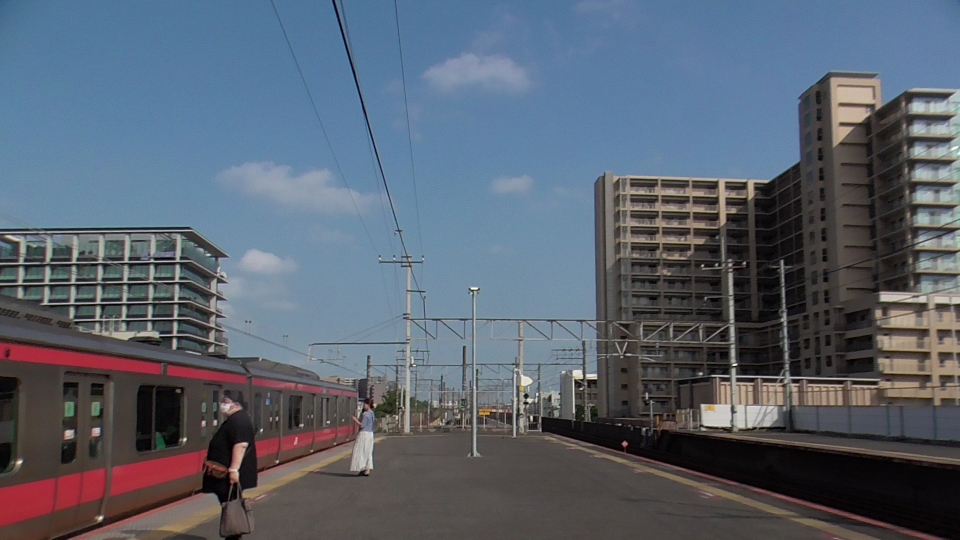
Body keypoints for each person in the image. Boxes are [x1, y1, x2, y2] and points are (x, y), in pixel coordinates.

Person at [202, 392, 258, 540]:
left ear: (236, 404)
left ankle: (234, 534)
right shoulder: (236, 419)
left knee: (231, 506)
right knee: (230, 505)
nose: (222, 405)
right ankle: (233, 534)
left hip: (229, 474)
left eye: (226, 401)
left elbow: (240, 445)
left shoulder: (239, 421)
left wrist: (233, 470)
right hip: (226, 473)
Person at [350, 399, 375, 476]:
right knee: (368, 452)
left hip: (364, 434)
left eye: (365, 404)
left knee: (360, 451)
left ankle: (362, 467)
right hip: (370, 434)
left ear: (368, 405)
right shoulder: (372, 413)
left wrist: (355, 420)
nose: (364, 406)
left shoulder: (366, 414)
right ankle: (368, 469)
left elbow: (362, 425)